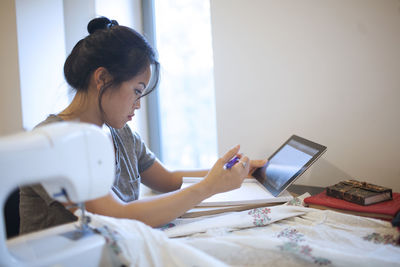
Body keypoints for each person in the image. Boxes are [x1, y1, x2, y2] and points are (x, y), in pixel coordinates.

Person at [19, 17, 266, 234]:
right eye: (137, 92)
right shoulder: (51, 141)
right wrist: (210, 186)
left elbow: (169, 180)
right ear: (102, 78)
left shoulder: (121, 135)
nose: (137, 105)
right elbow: (114, 216)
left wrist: (228, 172)